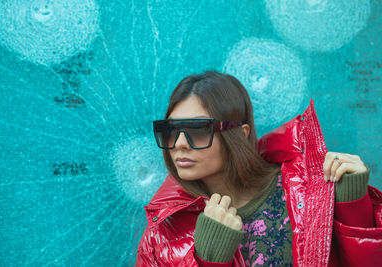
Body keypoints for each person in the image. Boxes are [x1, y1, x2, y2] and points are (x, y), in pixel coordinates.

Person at [135, 70, 382, 266]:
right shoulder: (161, 233)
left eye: (198, 131)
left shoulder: (306, 191)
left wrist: (354, 207)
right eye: (170, 131)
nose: (178, 145)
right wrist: (208, 260)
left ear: (239, 135)